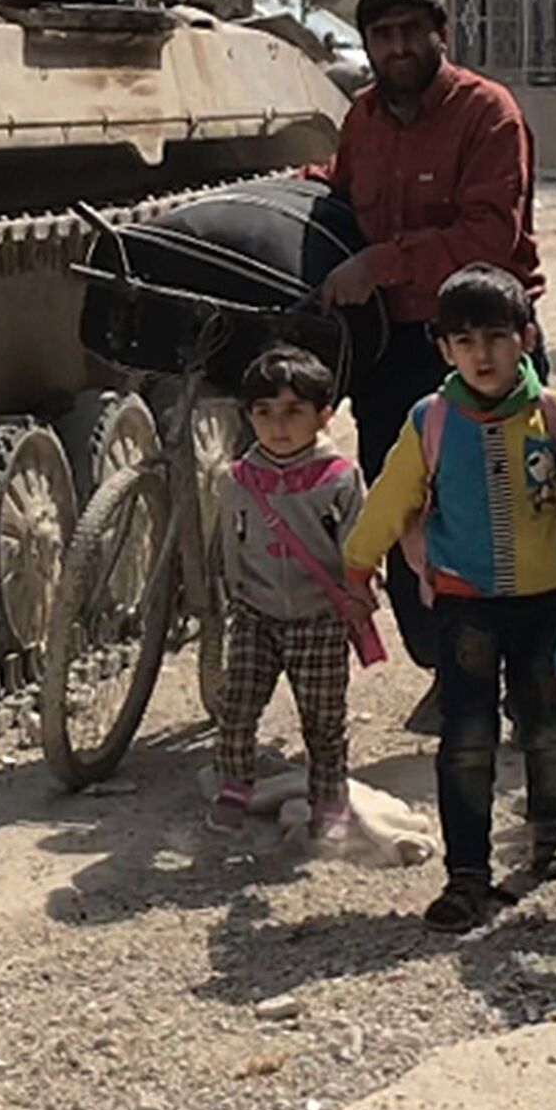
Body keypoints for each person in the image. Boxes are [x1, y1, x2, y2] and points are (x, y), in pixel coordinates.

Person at [344, 264, 556, 933]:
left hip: (545, 605)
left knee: (546, 727)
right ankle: (467, 876)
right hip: (464, 605)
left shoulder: (554, 413)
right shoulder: (431, 420)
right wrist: (356, 567)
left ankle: (549, 837)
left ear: (526, 338)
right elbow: (390, 498)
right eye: (465, 340)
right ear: (445, 349)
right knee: (467, 738)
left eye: (496, 337)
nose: (482, 354)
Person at [315, 0, 545, 722]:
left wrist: (380, 264)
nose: (399, 47)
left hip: (483, 348)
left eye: (412, 31)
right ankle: (448, 663)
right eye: (383, 35)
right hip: (394, 352)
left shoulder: (487, 113)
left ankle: (511, 676)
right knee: (400, 510)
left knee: (494, 518)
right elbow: (341, 193)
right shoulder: (363, 118)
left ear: (441, 34)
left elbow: (489, 237)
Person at [210, 347, 367, 844]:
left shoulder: (339, 478)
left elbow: (358, 543)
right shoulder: (237, 480)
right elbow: (229, 544)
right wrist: (234, 594)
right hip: (255, 613)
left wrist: (361, 589)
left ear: (323, 415)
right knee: (237, 704)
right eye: (264, 412)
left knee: (323, 718)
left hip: (319, 616)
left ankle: (329, 799)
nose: (278, 426)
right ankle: (235, 785)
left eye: (294, 411)